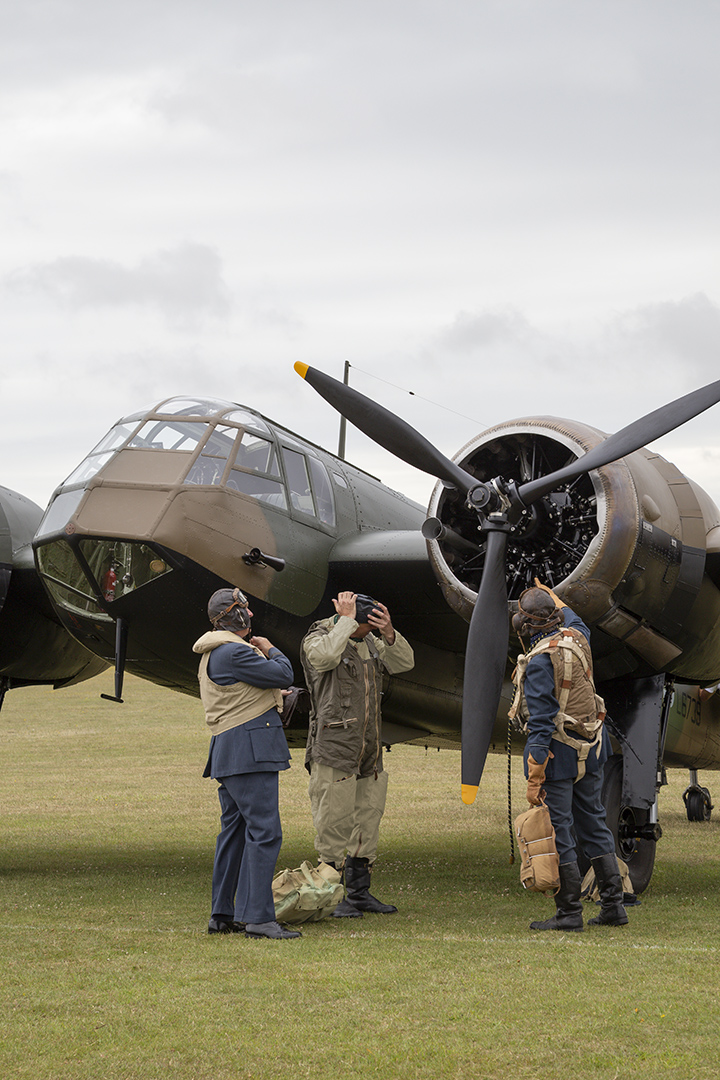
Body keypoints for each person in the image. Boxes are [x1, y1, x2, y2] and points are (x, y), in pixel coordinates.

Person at [510, 581, 628, 932]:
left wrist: (534, 774)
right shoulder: (577, 637)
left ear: (527, 626)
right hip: (591, 749)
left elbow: (542, 723)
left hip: (559, 756)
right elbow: (575, 618)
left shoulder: (539, 662)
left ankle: (569, 913)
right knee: (593, 822)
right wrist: (552, 596)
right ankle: (613, 906)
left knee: (559, 830)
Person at [193, 587, 301, 940]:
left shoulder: (218, 653)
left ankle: (223, 913)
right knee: (265, 832)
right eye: (246, 610)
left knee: (235, 833)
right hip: (249, 752)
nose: (251, 615)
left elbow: (247, 689)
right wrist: (270, 648)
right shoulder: (234, 652)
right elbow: (284, 673)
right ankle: (258, 919)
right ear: (234, 615)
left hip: (232, 751)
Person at [300, 591, 414, 917]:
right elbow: (321, 659)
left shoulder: (369, 643)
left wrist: (389, 633)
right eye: (367, 628)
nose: (370, 634)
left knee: (368, 818)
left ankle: (360, 893)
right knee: (333, 820)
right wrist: (346, 623)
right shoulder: (319, 637)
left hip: (368, 747)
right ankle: (330, 896)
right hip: (334, 747)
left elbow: (404, 663)